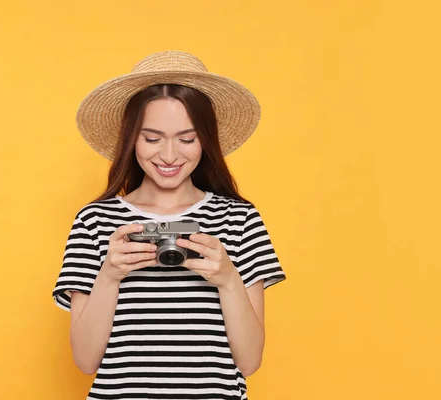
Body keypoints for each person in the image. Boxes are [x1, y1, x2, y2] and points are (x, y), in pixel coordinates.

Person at [52, 50, 287, 400]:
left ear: (206, 140)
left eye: (187, 139)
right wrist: (110, 275)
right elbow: (85, 360)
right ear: (131, 138)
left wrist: (227, 278)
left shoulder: (239, 219)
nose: (169, 155)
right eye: (152, 138)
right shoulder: (95, 221)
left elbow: (250, 360)